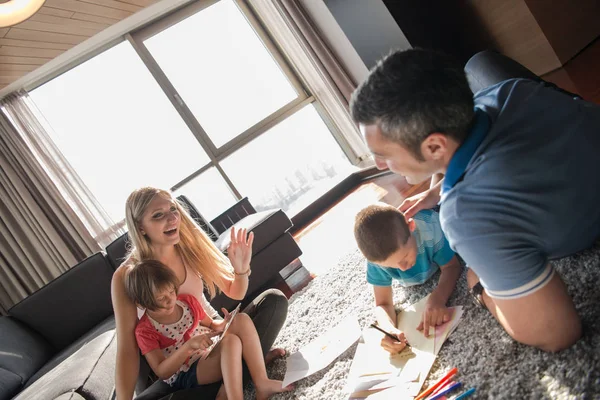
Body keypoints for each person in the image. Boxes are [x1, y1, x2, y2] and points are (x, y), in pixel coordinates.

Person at [350, 48, 600, 352]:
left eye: (384, 154)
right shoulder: (510, 90)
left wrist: (476, 285)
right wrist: (438, 189)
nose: (378, 165)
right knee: (480, 64)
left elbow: (557, 334)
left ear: (434, 146)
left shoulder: (465, 216)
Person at [111, 187, 288, 399]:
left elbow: (235, 292)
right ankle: (246, 367)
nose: (172, 218)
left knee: (274, 301)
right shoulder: (127, 275)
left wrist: (241, 270)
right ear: (140, 227)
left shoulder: (188, 245)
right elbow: (128, 351)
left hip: (212, 343)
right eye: (158, 215)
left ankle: (239, 375)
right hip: (172, 369)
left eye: (173, 209)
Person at [124, 259, 293, 400]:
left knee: (241, 320)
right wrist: (189, 346)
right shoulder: (145, 330)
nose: (170, 300)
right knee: (231, 342)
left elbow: (212, 325)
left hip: (211, 351)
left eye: (171, 291)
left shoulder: (186, 302)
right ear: (141, 303)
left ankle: (261, 382)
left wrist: (226, 322)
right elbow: (162, 371)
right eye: (161, 298)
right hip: (188, 371)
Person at [354, 204, 461, 354]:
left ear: (411, 226)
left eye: (405, 257)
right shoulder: (376, 261)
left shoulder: (430, 229)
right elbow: (383, 303)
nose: (403, 268)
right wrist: (387, 327)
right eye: (392, 266)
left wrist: (438, 297)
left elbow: (452, 267)